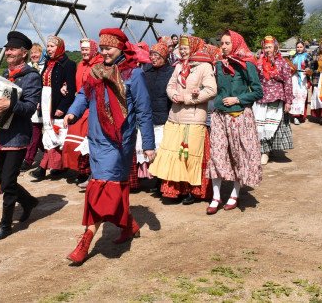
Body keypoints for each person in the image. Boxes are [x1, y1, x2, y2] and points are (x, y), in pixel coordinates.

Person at [63, 28, 155, 264]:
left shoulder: (134, 75)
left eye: (108, 48)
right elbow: (84, 94)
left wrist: (149, 145)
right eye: (102, 48)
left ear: (120, 48)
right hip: (96, 138)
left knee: (103, 188)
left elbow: (144, 112)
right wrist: (73, 112)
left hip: (119, 142)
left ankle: (86, 239)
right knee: (111, 186)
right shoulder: (95, 70)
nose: (104, 52)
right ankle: (130, 225)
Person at [149, 35, 217, 204]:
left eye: (186, 49)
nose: (184, 51)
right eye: (182, 49)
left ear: (194, 48)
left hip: (193, 118)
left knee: (189, 155)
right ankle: (174, 190)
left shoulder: (204, 67)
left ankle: (191, 191)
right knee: (173, 153)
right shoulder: (179, 66)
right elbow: (170, 85)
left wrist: (186, 98)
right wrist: (174, 95)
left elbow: (211, 90)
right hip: (175, 116)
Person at [0, 31, 42, 240]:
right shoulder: (3, 73)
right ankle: (28, 201)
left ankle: (6, 225)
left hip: (18, 137)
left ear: (24, 53)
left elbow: (29, 108)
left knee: (8, 182)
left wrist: (10, 105)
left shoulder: (31, 77)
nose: (8, 52)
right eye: (7, 48)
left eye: (13, 49)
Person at [206, 30, 263, 215]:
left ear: (236, 44)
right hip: (219, 116)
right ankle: (216, 196)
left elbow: (257, 91)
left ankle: (235, 192)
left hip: (239, 115)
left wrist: (237, 99)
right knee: (217, 153)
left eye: (227, 43)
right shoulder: (217, 64)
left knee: (239, 154)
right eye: (221, 43)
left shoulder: (247, 64)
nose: (223, 46)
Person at [30, 36, 77, 180]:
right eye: (48, 46)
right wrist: (38, 101)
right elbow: (42, 84)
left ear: (60, 48)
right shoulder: (48, 63)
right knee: (49, 132)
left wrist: (63, 106)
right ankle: (57, 165)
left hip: (57, 102)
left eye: (52, 46)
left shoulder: (68, 64)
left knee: (58, 134)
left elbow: (70, 87)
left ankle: (44, 167)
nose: (49, 49)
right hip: (45, 102)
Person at [63, 38, 103, 188]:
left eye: (87, 49)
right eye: (82, 49)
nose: (84, 52)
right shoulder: (80, 65)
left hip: (93, 107)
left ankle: (88, 173)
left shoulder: (99, 65)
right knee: (73, 141)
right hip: (80, 106)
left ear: (93, 49)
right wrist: (66, 86)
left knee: (87, 141)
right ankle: (81, 171)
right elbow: (77, 84)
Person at [138, 41, 175, 195]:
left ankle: (162, 182)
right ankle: (155, 179)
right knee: (149, 149)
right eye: (151, 54)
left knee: (161, 150)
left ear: (164, 56)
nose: (153, 58)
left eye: (156, 55)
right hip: (148, 115)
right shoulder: (146, 70)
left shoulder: (171, 71)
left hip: (164, 116)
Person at [253, 36, 294, 163]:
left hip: (277, 99)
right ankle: (264, 152)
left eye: (270, 47)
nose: (267, 49)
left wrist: (288, 101)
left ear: (275, 47)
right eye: (265, 47)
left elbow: (288, 82)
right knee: (261, 126)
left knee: (273, 126)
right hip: (261, 99)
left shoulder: (283, 63)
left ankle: (270, 151)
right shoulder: (258, 63)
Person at [22, 43, 45, 171]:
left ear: (42, 53)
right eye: (32, 53)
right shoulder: (28, 67)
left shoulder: (45, 67)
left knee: (35, 131)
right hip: (29, 103)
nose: (34, 55)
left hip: (42, 103)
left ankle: (28, 160)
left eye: (37, 53)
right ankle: (50, 152)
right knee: (35, 133)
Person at [289, 41, 309, 125]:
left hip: (303, 77)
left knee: (302, 97)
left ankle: (301, 115)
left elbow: (311, 66)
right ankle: (294, 116)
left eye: (301, 47)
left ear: (304, 47)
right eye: (298, 47)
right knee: (294, 96)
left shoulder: (308, 56)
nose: (299, 48)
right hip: (294, 77)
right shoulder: (293, 57)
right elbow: (288, 66)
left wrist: (308, 69)